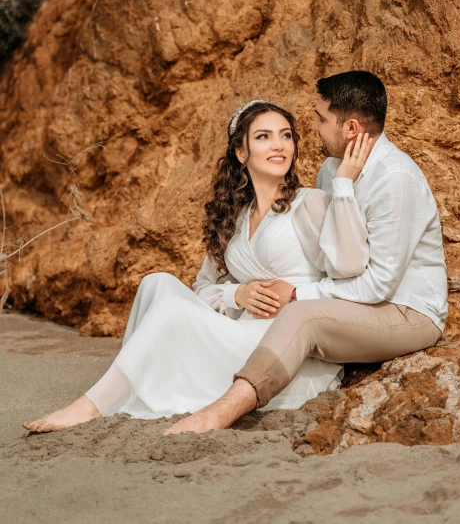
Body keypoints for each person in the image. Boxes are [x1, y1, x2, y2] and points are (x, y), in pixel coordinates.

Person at [23, 99, 373, 433]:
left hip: (283, 351)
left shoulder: (310, 203)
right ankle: (114, 391)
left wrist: (342, 186)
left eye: (285, 135)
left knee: (174, 313)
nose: (278, 145)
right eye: (263, 137)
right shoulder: (234, 217)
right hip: (239, 332)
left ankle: (91, 405)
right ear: (241, 152)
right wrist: (237, 293)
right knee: (156, 283)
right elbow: (203, 288)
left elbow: (350, 266)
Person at [166, 71, 447, 436]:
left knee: (303, 316)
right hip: (357, 304)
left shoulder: (395, 179)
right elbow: (328, 256)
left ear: (350, 128)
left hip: (407, 312)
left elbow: (378, 284)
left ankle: (220, 413)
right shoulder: (331, 170)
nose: (312, 127)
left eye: (320, 119)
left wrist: (296, 293)